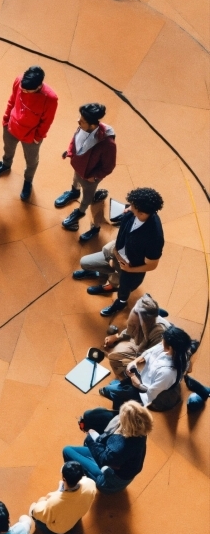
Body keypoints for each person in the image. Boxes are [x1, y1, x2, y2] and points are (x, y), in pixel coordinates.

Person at [72, 188, 165, 316]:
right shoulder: (132, 213)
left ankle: (119, 303)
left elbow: (152, 265)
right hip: (116, 251)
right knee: (85, 262)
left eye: (132, 205)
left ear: (142, 212)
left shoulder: (154, 237)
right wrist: (115, 253)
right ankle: (103, 273)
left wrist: (129, 269)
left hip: (130, 267)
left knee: (123, 292)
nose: (129, 206)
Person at [0, 66, 58, 201]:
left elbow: (47, 121)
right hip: (11, 127)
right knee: (8, 149)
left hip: (31, 137)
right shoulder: (19, 81)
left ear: (39, 86)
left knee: (31, 161)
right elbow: (12, 100)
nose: (23, 91)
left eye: (27, 90)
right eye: (22, 88)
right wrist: (6, 119)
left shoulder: (50, 99)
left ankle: (28, 181)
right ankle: (5, 165)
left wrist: (37, 138)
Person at [54, 103, 116, 242]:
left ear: (93, 125)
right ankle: (74, 192)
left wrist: (95, 177)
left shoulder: (107, 144)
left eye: (82, 121)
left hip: (89, 177)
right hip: (78, 167)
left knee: (87, 196)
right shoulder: (83, 127)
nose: (78, 121)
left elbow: (109, 166)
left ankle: (80, 211)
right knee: (75, 179)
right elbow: (75, 140)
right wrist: (70, 152)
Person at [62, 401, 152, 493]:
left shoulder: (119, 446)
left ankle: (71, 482)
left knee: (67, 451)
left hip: (109, 482)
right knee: (78, 450)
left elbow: (103, 459)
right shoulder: (141, 432)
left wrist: (90, 436)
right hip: (121, 470)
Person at [100, 325, 193, 411]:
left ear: (170, 348)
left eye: (163, 340)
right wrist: (135, 361)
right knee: (119, 389)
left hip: (157, 398)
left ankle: (115, 400)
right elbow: (151, 351)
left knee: (111, 390)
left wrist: (137, 384)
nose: (161, 341)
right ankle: (118, 405)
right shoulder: (177, 350)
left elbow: (151, 394)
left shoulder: (168, 372)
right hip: (149, 381)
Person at [103, 293, 170, 379]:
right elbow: (129, 330)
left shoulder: (159, 335)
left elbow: (154, 361)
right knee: (114, 356)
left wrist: (135, 363)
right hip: (143, 347)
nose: (131, 326)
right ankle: (154, 310)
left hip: (154, 358)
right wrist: (117, 337)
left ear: (144, 325)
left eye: (134, 326)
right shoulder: (138, 320)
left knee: (137, 373)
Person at [29, 462, 96, 534]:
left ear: (64, 479)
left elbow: (38, 513)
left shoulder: (54, 502)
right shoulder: (91, 483)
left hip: (60, 530)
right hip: (76, 517)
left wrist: (34, 508)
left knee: (39, 502)